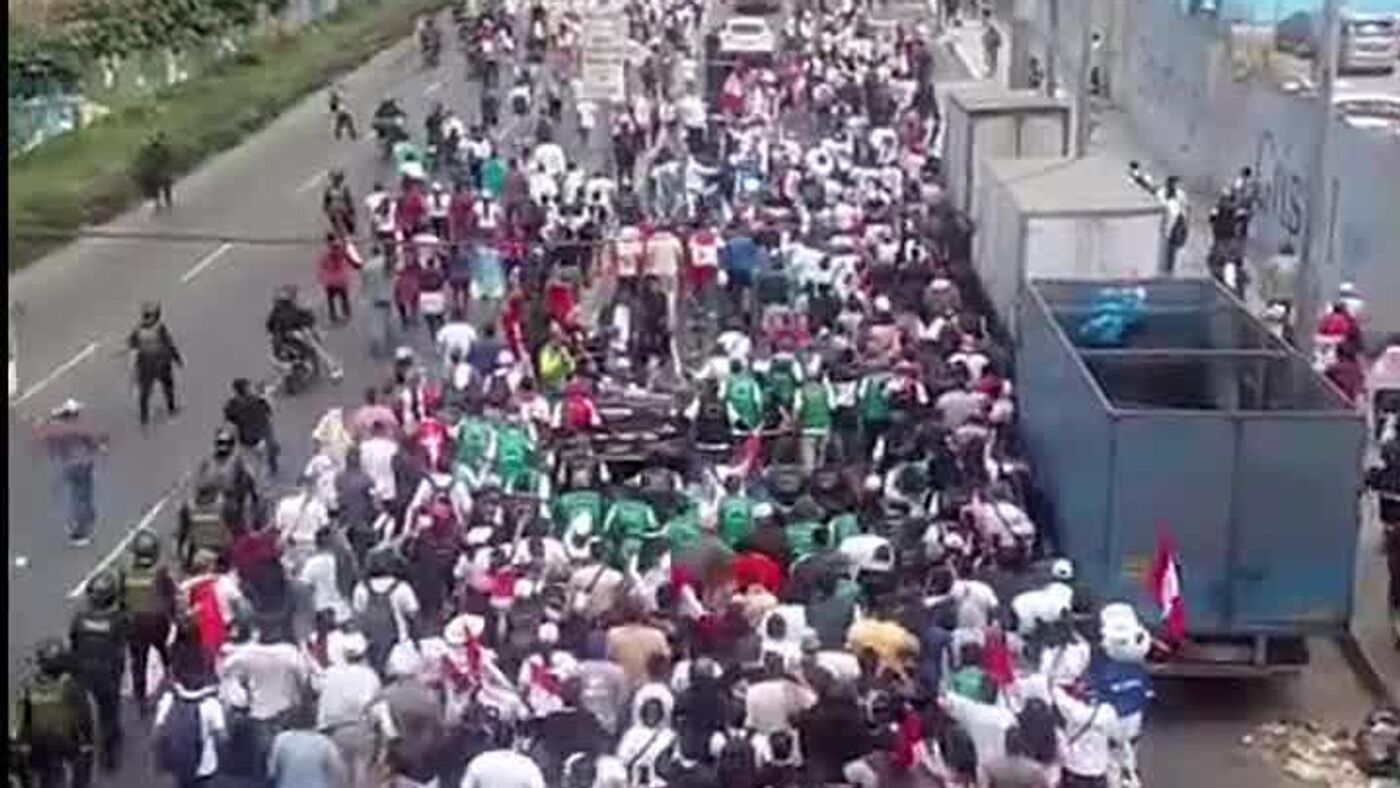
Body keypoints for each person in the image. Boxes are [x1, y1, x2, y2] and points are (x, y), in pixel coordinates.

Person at [12, 638, 97, 788]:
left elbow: (20, 718)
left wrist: (21, 743)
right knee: (83, 757)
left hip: (36, 743)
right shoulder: (71, 686)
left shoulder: (27, 686)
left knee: (34, 768)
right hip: (63, 742)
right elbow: (84, 717)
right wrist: (88, 741)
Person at [69, 571, 127, 772]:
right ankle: (109, 755)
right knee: (109, 713)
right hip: (108, 674)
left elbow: (74, 642)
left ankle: (85, 745)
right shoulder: (117, 619)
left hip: (84, 671)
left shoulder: (80, 618)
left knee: (83, 710)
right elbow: (122, 643)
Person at [33, 398, 108, 546]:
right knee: (83, 496)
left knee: (77, 496)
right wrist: (100, 447)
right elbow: (93, 442)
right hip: (84, 464)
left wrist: (43, 426)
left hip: (69, 466)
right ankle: (80, 531)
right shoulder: (79, 427)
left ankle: (84, 520)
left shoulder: (55, 430)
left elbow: (48, 444)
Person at [119, 530, 177, 716]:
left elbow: (121, 600)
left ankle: (141, 701)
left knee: (139, 664)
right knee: (165, 650)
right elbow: (171, 597)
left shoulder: (126, 573)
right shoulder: (160, 573)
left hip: (135, 625)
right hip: (158, 622)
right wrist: (173, 617)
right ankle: (172, 676)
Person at [127, 301, 182, 426]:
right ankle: (171, 409)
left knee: (145, 392)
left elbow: (132, 345)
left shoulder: (137, 330)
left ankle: (144, 417)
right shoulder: (159, 328)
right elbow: (169, 344)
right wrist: (177, 358)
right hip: (160, 363)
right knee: (167, 387)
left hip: (145, 365)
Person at [224, 377, 280, 477]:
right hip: (261, 434)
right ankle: (272, 464)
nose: (250, 388)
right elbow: (269, 411)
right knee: (271, 448)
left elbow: (230, 419)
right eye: (249, 387)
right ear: (246, 389)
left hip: (246, 439)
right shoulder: (257, 400)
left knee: (250, 461)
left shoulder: (232, 404)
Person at [134, 131, 175, 211]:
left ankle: (164, 201)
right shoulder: (146, 150)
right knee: (158, 185)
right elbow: (140, 161)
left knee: (164, 184)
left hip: (159, 169)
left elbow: (167, 158)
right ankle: (160, 202)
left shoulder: (160, 148)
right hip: (154, 171)